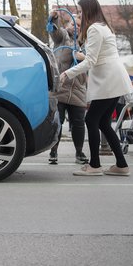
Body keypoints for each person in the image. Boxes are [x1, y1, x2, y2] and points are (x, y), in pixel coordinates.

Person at [61, 0, 133, 176]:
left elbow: (92, 61)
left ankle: (94, 166)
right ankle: (121, 165)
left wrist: (67, 73)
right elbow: (99, 57)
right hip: (114, 79)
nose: (78, 15)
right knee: (103, 123)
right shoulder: (104, 27)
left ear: (88, 10)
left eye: (80, 11)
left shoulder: (94, 29)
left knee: (91, 120)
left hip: (108, 80)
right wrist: (83, 57)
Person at [46, 9, 88, 165]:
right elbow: (55, 32)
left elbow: (93, 62)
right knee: (58, 121)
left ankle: (79, 152)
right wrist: (54, 18)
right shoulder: (63, 37)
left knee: (78, 123)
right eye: (72, 23)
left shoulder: (87, 44)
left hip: (78, 90)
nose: (74, 27)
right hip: (60, 88)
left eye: (78, 25)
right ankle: (53, 151)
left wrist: (83, 57)